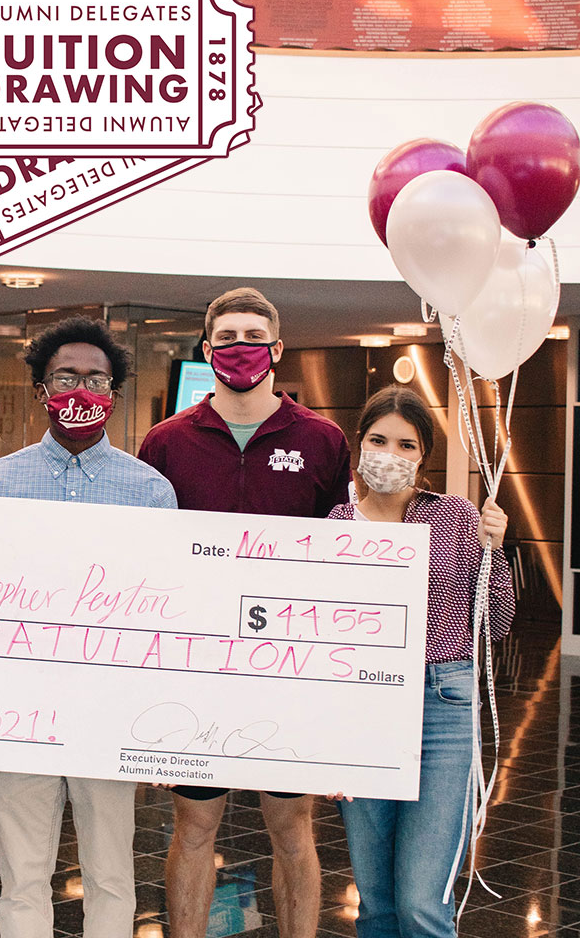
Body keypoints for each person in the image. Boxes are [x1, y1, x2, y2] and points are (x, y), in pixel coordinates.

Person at [137, 286, 351, 938]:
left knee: (292, 825)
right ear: (207, 349)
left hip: (287, 668)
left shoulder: (321, 440)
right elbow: (143, 560)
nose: (239, 348)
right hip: (195, 669)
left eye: (252, 336)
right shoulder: (167, 442)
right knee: (194, 825)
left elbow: (350, 549)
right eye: (226, 338)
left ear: (278, 349)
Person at [0, 315, 177, 938]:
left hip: (109, 711)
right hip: (18, 712)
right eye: (66, 377)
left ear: (114, 392)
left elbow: (165, 611)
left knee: (112, 874)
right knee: (21, 878)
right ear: (40, 388)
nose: (81, 390)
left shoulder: (150, 492)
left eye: (96, 378)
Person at [327, 385, 514, 938]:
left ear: (422, 456)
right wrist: (324, 744)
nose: (390, 454)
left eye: (406, 445)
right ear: (360, 444)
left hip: (442, 703)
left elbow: (494, 625)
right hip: (361, 708)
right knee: (378, 905)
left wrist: (494, 553)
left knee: (420, 903)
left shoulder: (455, 517)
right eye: (379, 440)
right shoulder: (335, 524)